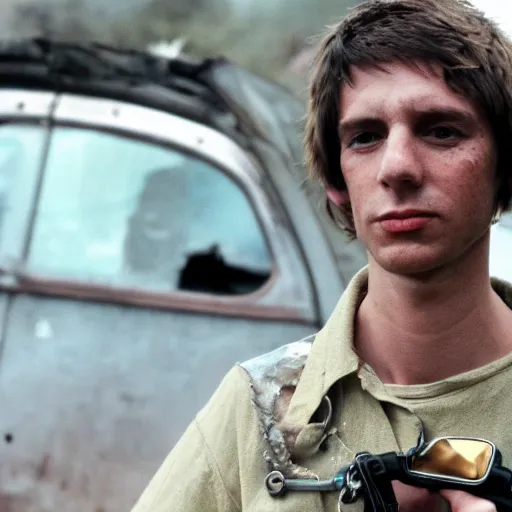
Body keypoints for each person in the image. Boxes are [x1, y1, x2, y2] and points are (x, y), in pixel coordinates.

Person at [130, 0, 512, 510]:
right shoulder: (259, 407)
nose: (397, 167)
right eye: (365, 138)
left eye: (442, 130)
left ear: (504, 168)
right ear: (336, 182)